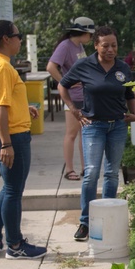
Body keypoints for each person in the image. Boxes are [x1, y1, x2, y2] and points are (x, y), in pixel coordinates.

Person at [59, 26, 135, 242]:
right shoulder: (84, 65)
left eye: (114, 45)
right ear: (96, 45)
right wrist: (74, 110)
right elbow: (62, 85)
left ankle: (107, 218)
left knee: (112, 173)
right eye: (105, 46)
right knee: (92, 173)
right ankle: (85, 222)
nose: (110, 49)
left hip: (118, 126)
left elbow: (129, 92)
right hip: (93, 126)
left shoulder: (122, 68)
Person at [0, 20, 48, 260]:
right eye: (18, 36)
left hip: (6, 133)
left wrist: (23, 106)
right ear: (6, 39)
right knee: (14, 191)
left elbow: (4, 101)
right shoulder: (1, 67)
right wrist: (7, 143)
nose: (20, 40)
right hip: (10, 137)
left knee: (8, 188)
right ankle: (15, 245)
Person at [46, 17, 94, 182]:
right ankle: (69, 169)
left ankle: (85, 167)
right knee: (71, 133)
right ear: (82, 32)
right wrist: (64, 83)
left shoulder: (79, 46)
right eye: (90, 34)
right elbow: (51, 67)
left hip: (84, 95)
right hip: (72, 98)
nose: (91, 38)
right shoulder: (65, 46)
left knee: (84, 133)